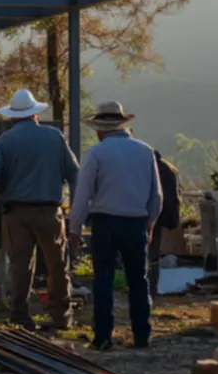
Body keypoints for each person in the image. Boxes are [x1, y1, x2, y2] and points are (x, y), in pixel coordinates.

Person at [0, 89, 79, 332]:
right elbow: (75, 173)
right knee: (57, 264)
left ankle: (20, 316)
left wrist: (2, 193)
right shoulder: (55, 137)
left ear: (13, 117)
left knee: (20, 265)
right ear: (35, 114)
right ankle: (61, 316)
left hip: (16, 213)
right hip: (49, 211)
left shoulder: (5, 141)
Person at [68, 102, 161, 350]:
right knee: (139, 280)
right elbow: (156, 196)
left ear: (100, 130)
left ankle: (103, 337)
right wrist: (149, 224)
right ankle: (142, 335)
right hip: (136, 223)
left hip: (105, 222)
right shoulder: (146, 151)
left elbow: (82, 194)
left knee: (104, 278)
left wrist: (75, 228)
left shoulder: (97, 153)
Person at [148, 148, 181, 297]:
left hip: (149, 213)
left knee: (148, 253)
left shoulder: (149, 167)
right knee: (154, 252)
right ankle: (153, 287)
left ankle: (149, 287)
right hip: (162, 215)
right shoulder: (168, 168)